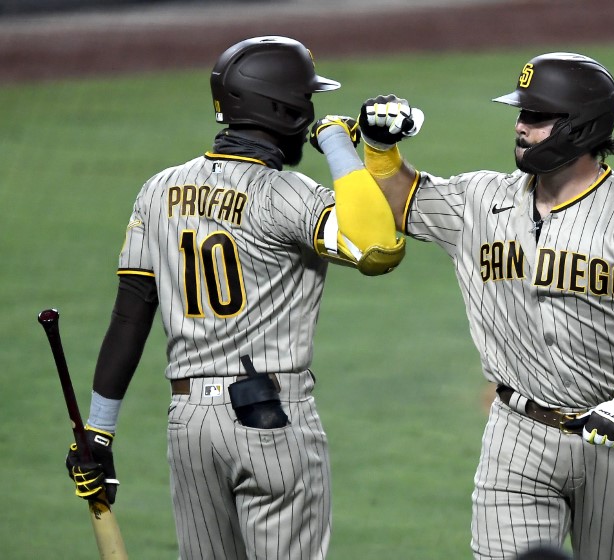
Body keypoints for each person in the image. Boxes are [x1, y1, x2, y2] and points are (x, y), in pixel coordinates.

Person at [356, 52, 614, 559]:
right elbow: (398, 202)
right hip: (517, 436)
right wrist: (380, 150)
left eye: (536, 117)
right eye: (520, 113)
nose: (520, 126)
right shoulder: (480, 201)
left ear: (580, 127)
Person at [63, 36, 405, 560]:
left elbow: (130, 313)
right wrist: (337, 142)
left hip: (189, 427)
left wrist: (99, 433)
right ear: (284, 110)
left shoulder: (159, 190)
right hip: (271, 418)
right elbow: (379, 246)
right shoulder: (288, 194)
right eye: (305, 102)